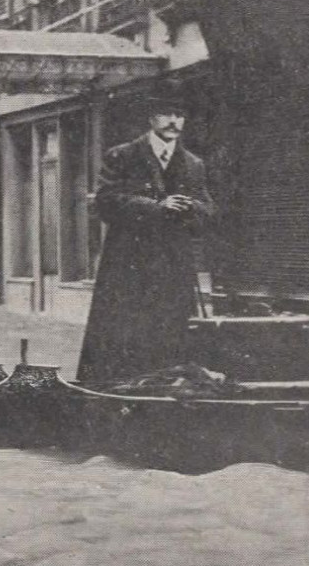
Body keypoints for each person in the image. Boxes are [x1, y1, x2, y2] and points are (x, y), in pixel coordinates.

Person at [76, 88, 216, 385]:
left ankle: (164, 392)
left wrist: (191, 207)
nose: (174, 121)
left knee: (171, 330)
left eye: (179, 115)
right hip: (129, 262)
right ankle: (114, 391)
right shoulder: (123, 155)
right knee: (124, 331)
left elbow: (208, 209)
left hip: (173, 264)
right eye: (167, 114)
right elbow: (106, 200)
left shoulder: (193, 164)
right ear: (152, 118)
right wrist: (156, 207)